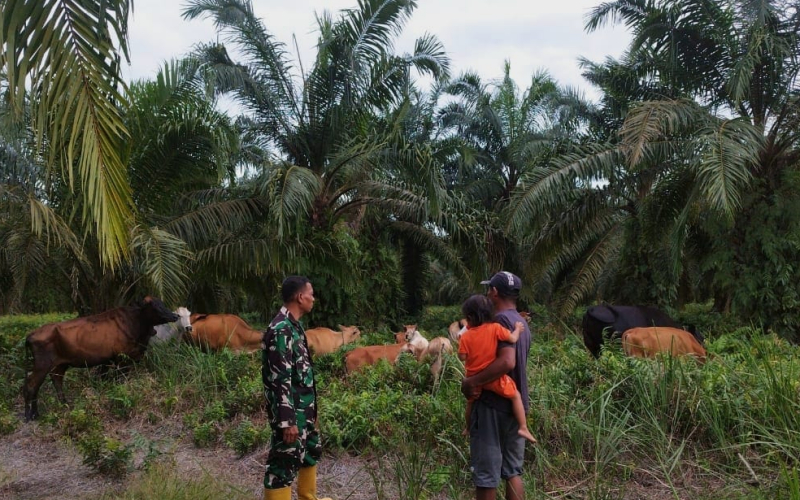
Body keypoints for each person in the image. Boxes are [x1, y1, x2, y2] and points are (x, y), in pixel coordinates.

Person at [461, 271, 532, 500]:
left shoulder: (498, 321)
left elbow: (507, 361)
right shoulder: (520, 322)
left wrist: (472, 381)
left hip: (493, 404)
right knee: (512, 471)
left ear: (494, 292)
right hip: (515, 402)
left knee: (486, 477)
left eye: (488, 290)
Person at [262, 276, 332, 500]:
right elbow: (280, 379)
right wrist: (287, 421)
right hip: (291, 415)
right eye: (311, 294)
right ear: (300, 297)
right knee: (282, 466)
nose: (313, 298)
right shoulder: (281, 329)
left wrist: (311, 414)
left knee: (310, 452)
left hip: (304, 412)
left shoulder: (294, 325)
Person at [458, 294, 537, 445]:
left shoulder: (466, 337)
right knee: (515, 395)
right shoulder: (496, 328)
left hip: (473, 377)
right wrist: (517, 330)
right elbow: (512, 339)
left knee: (470, 404)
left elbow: (461, 356)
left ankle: (467, 428)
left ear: (469, 317)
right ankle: (523, 427)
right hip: (493, 378)